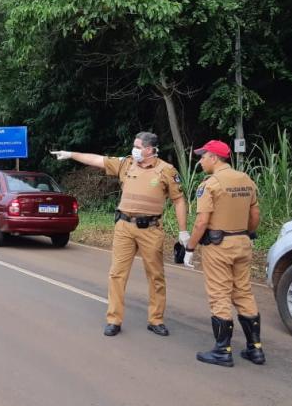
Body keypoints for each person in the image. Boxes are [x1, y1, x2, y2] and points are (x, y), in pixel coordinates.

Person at [51, 132, 189, 337]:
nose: (134, 149)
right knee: (117, 274)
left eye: (138, 146)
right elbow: (97, 159)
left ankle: (156, 319)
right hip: (124, 226)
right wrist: (71, 154)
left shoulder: (166, 170)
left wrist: (183, 231)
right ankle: (113, 319)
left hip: (150, 229)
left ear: (150, 150)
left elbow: (179, 200)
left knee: (156, 276)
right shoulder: (127, 163)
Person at [183, 140, 264, 367]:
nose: (200, 161)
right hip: (242, 242)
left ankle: (222, 351)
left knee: (219, 294)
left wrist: (190, 247)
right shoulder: (246, 179)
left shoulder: (210, 184)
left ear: (214, 158)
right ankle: (255, 349)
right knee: (244, 293)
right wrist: (246, 233)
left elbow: (201, 222)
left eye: (202, 156)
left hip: (219, 246)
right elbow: (255, 215)